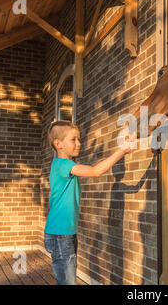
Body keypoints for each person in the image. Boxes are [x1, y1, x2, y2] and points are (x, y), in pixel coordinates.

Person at [44, 120, 136, 285]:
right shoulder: (62, 164)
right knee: (67, 282)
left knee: (67, 280)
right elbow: (96, 171)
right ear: (58, 144)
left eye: (79, 139)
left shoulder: (65, 165)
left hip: (65, 233)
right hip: (60, 235)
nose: (79, 143)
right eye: (73, 140)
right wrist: (122, 151)